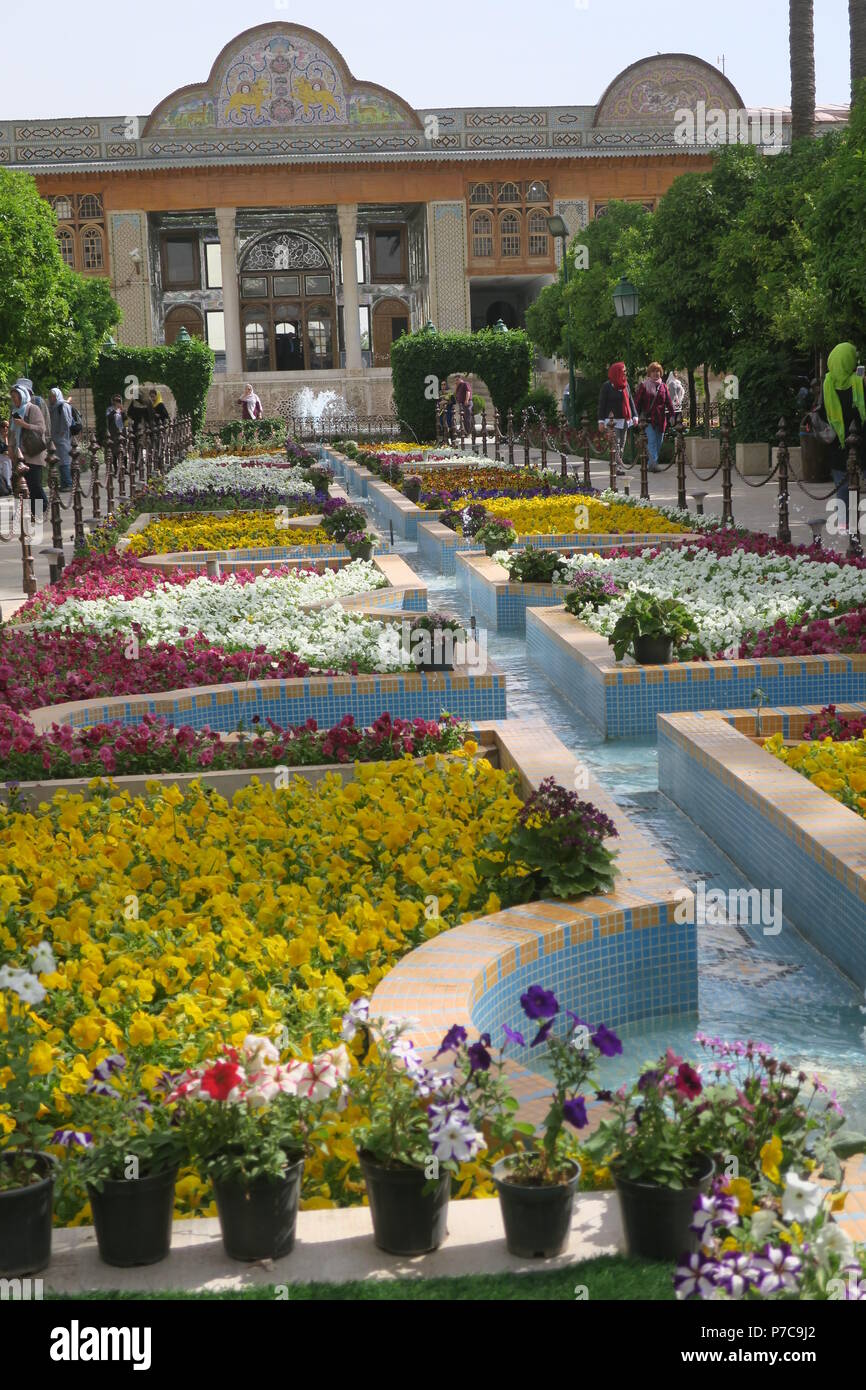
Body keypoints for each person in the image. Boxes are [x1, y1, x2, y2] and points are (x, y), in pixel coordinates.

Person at [818, 342, 866, 532]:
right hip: (862, 440)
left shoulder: (827, 383)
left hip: (838, 444)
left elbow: (822, 415)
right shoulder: (859, 380)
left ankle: (846, 524)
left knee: (842, 486)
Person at [9, 385, 48, 521]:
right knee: (23, 485)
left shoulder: (33, 409)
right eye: (12, 397)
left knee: (34, 485)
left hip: (33, 453)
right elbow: (12, 433)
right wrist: (10, 449)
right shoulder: (14, 411)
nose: (14, 400)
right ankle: (30, 513)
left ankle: (41, 509)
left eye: (15, 397)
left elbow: (41, 429)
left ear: (22, 396)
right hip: (20, 455)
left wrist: (24, 424)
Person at [598, 362, 637, 475]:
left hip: (624, 419)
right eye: (623, 371)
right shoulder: (607, 386)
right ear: (616, 372)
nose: (625, 373)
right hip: (612, 422)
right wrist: (600, 421)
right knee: (616, 443)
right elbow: (602, 404)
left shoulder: (626, 385)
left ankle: (618, 465)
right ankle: (615, 466)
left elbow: (630, 401)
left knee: (622, 443)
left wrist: (635, 415)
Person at [635, 362, 674, 472]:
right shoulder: (644, 386)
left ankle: (649, 464)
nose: (656, 373)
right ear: (649, 373)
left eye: (658, 371)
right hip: (648, 420)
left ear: (660, 373)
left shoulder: (663, 386)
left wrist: (672, 415)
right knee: (652, 442)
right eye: (653, 371)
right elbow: (637, 402)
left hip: (661, 420)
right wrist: (636, 417)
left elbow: (668, 402)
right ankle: (654, 465)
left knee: (658, 443)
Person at [48, 387, 74, 491]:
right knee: (60, 461)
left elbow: (66, 421)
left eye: (53, 396)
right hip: (55, 438)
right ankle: (64, 484)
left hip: (62, 438)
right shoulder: (53, 407)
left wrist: (62, 433)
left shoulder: (63, 405)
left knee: (65, 460)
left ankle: (68, 483)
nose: (51, 398)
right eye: (50, 396)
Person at [0, 419, 12, 496]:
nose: (5, 428)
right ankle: (7, 484)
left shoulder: (11, 437)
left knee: (7, 460)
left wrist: (6, 439)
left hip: (9, 458)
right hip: (2, 458)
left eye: (7, 426)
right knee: (6, 460)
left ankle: (8, 484)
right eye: (3, 426)